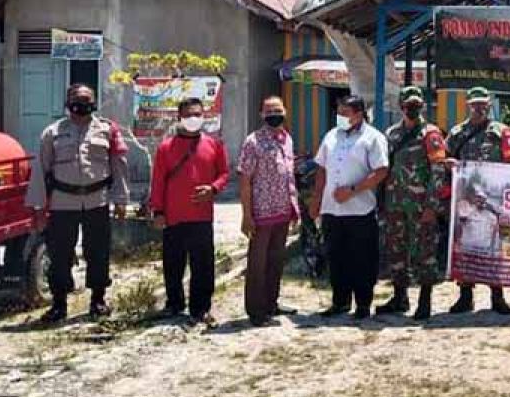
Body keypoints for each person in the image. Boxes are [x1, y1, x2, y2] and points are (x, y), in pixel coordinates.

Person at [26, 83, 130, 323]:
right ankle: (59, 304)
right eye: (76, 98)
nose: (81, 102)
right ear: (67, 102)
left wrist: (120, 199)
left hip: (97, 201)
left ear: (94, 102)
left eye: (86, 98)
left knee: (98, 252)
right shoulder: (52, 132)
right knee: (60, 254)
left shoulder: (108, 129)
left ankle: (98, 300)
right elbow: (41, 170)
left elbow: (118, 166)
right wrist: (39, 208)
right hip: (63, 202)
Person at [149, 97, 230, 326]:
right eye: (188, 115)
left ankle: (201, 308)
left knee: (203, 265)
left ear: (204, 116)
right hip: (173, 217)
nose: (193, 119)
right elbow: (158, 182)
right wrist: (158, 211)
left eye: (197, 114)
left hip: (202, 217)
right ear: (179, 118)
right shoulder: (166, 147)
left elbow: (224, 174)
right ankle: (174, 304)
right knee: (173, 264)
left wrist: (213, 188)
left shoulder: (214, 144)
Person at [311, 94, 390, 319]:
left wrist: (353, 190)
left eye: (345, 113)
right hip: (331, 210)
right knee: (336, 257)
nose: (340, 117)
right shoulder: (331, 136)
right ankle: (340, 301)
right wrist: (316, 200)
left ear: (359, 114)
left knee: (362, 259)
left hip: (359, 210)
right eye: (339, 112)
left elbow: (381, 171)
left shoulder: (373, 138)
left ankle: (363, 304)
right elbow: (321, 169)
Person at [444, 86, 510, 315]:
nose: (479, 108)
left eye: (483, 104)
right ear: (468, 105)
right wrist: (450, 166)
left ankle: (498, 296)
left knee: (495, 248)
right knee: (466, 247)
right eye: (475, 104)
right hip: (466, 200)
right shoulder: (457, 132)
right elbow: (445, 159)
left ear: (489, 104)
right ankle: (465, 296)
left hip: (493, 202)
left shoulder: (502, 132)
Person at [377, 86, 449, 321]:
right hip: (395, 203)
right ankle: (400, 297)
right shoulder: (392, 134)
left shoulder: (431, 134)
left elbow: (438, 170)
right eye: (408, 105)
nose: (412, 109)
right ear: (400, 106)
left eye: (416, 105)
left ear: (422, 107)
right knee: (396, 250)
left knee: (425, 252)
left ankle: (425, 300)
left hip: (421, 206)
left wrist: (431, 205)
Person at [238, 95, 299, 327]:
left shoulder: (287, 139)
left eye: (278, 110)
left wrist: (294, 209)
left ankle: (271, 303)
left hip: (283, 212)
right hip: (261, 214)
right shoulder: (253, 142)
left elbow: (289, 176)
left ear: (285, 111)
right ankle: (256, 311)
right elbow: (245, 180)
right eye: (269, 111)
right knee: (257, 264)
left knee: (276, 260)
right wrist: (246, 215)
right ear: (262, 115)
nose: (274, 114)